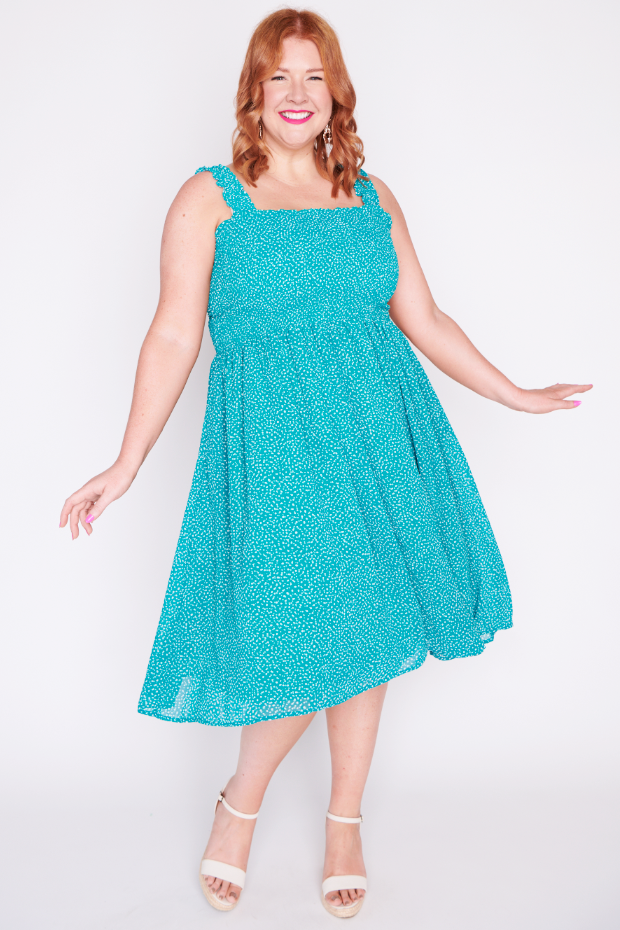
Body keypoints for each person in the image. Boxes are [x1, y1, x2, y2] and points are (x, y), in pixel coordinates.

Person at [59, 7, 592, 919]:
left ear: (337, 92)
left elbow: (424, 318)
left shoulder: (372, 197)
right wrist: (127, 459)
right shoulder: (209, 198)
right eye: (280, 77)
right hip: (274, 447)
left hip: (379, 436)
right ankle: (241, 801)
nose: (297, 94)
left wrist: (512, 392)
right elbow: (174, 334)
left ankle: (345, 819)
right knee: (300, 627)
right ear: (253, 93)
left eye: (314, 76)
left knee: (372, 620)